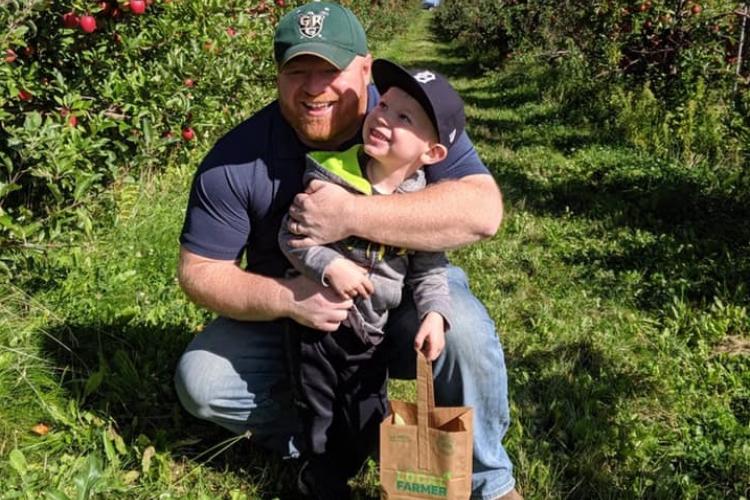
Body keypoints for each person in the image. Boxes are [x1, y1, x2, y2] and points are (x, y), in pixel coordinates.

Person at [174, 2, 521, 499]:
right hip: (298, 325)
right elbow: (199, 272)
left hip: (397, 303)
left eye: (331, 71)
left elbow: (482, 212)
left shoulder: (409, 117)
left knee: (460, 327)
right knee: (202, 382)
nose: (314, 88)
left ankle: (490, 481)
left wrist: (348, 216)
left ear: (365, 68)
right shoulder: (235, 160)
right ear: (277, 75)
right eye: (298, 71)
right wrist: (290, 298)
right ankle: (336, 443)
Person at [278, 58, 462, 498]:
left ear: (432, 153)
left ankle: (364, 463)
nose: (384, 119)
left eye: (405, 118)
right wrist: (330, 265)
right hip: (318, 326)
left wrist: (435, 314)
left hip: (372, 332)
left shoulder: (421, 206)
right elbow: (291, 236)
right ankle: (319, 480)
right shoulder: (330, 174)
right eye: (385, 106)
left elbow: (430, 267)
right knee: (318, 408)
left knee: (367, 410)